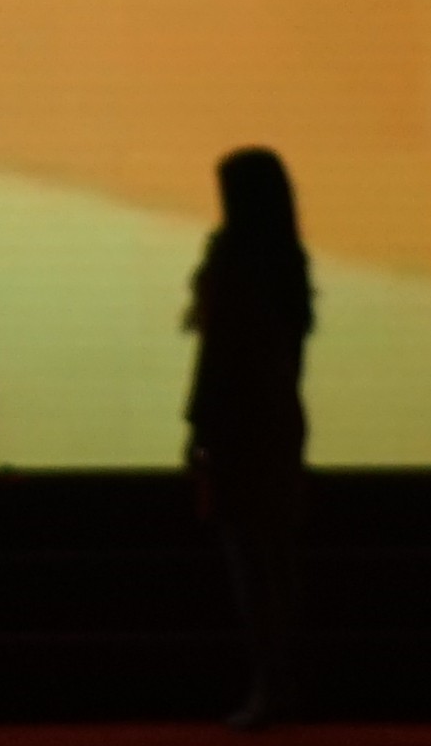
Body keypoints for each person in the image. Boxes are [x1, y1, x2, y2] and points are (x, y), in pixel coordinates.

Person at [181, 146, 315, 731]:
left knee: (251, 564)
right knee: (274, 559)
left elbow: (217, 355)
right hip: (278, 420)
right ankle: (279, 681)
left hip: (239, 424)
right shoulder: (288, 260)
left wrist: (199, 426)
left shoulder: (233, 258)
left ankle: (270, 684)